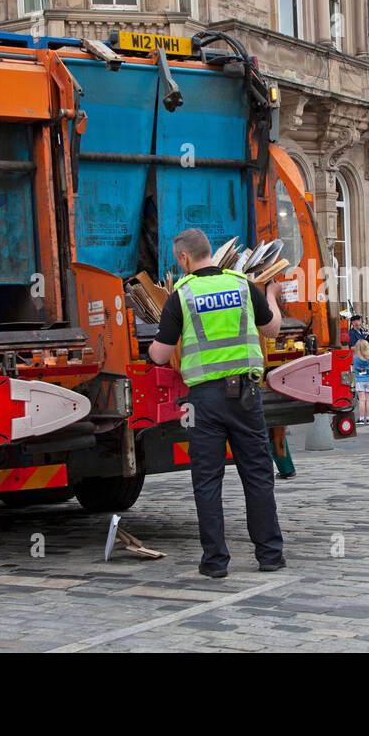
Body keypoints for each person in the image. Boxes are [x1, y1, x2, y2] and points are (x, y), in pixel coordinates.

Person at [147, 228, 286, 579]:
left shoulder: (183, 294)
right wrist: (271, 295)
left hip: (204, 402)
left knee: (207, 480)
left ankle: (215, 561)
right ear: (211, 252)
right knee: (257, 475)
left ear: (183, 259)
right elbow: (271, 331)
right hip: (246, 395)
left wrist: (151, 347)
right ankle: (269, 555)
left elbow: (161, 356)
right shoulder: (242, 285)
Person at [353, 338, 369, 424]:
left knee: (361, 400)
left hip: (359, 380)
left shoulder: (356, 358)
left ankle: (361, 419)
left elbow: (354, 367)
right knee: (368, 400)